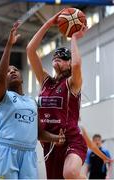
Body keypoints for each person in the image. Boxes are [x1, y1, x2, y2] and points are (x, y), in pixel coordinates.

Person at [0, 21, 65, 179]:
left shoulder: (31, 102)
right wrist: (9, 45)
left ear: (22, 78)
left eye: (15, 69)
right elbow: (1, 75)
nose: (12, 71)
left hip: (29, 154)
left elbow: (37, 133)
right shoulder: (2, 96)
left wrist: (55, 138)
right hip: (6, 152)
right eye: (9, 71)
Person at [26, 9, 88, 179]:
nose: (59, 55)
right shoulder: (46, 81)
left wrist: (74, 38)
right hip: (50, 143)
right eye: (56, 55)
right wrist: (48, 23)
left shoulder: (72, 83)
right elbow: (31, 50)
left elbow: (76, 66)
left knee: (70, 173)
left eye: (64, 56)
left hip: (71, 140)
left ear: (69, 64)